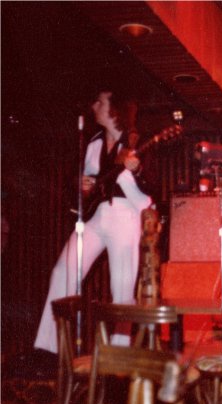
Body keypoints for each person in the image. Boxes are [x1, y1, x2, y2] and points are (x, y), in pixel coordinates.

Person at [34, 88, 156, 353]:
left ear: (114, 108)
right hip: (96, 216)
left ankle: (120, 356)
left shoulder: (136, 141)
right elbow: (83, 186)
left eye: (99, 102)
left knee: (122, 287)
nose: (94, 107)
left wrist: (138, 169)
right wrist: (83, 185)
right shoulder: (94, 142)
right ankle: (49, 349)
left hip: (125, 215)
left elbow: (152, 188)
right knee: (63, 270)